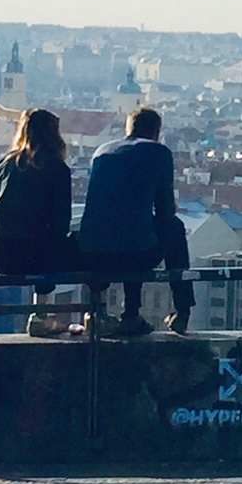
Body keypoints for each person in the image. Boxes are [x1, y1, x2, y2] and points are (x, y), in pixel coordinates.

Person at [78, 106, 193, 337]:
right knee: (173, 229)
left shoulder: (102, 151)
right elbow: (165, 213)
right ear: (156, 132)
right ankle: (180, 311)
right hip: (134, 255)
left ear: (127, 129)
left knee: (125, 230)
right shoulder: (158, 153)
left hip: (92, 255)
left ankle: (96, 310)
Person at [0, 108, 80, 338]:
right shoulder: (56, 168)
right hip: (38, 257)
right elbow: (61, 225)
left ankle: (40, 316)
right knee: (82, 247)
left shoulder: (3, 165)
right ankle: (46, 315)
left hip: (2, 257)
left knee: (43, 244)